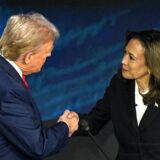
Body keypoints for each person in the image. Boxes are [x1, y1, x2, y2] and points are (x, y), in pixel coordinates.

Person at [0, 13, 79, 160]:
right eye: (46, 55)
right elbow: (38, 147)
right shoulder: (10, 90)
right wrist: (65, 126)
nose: (47, 58)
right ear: (29, 57)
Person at [72, 29, 160, 160]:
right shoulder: (118, 85)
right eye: (125, 53)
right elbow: (95, 120)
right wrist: (71, 122)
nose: (123, 61)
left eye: (131, 57)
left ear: (151, 64)